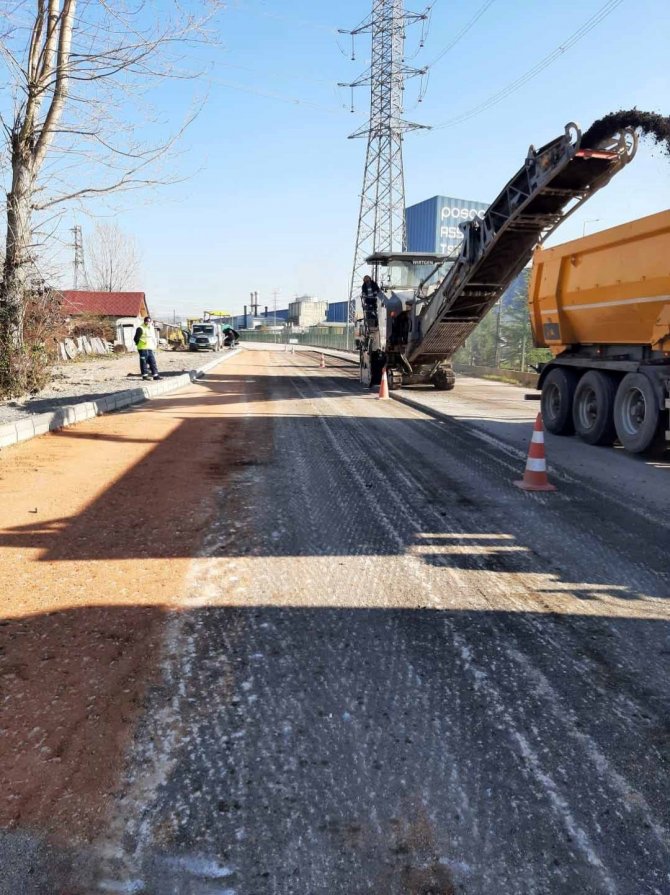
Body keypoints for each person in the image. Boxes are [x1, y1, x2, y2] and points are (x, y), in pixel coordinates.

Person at [133, 316, 162, 380]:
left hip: (150, 348)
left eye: (149, 321)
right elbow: (136, 338)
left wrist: (154, 345)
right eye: (147, 321)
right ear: (144, 321)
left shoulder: (151, 328)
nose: (148, 323)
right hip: (143, 348)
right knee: (144, 362)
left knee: (152, 362)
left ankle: (155, 375)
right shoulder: (140, 328)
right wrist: (139, 344)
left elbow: (152, 337)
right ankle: (145, 376)